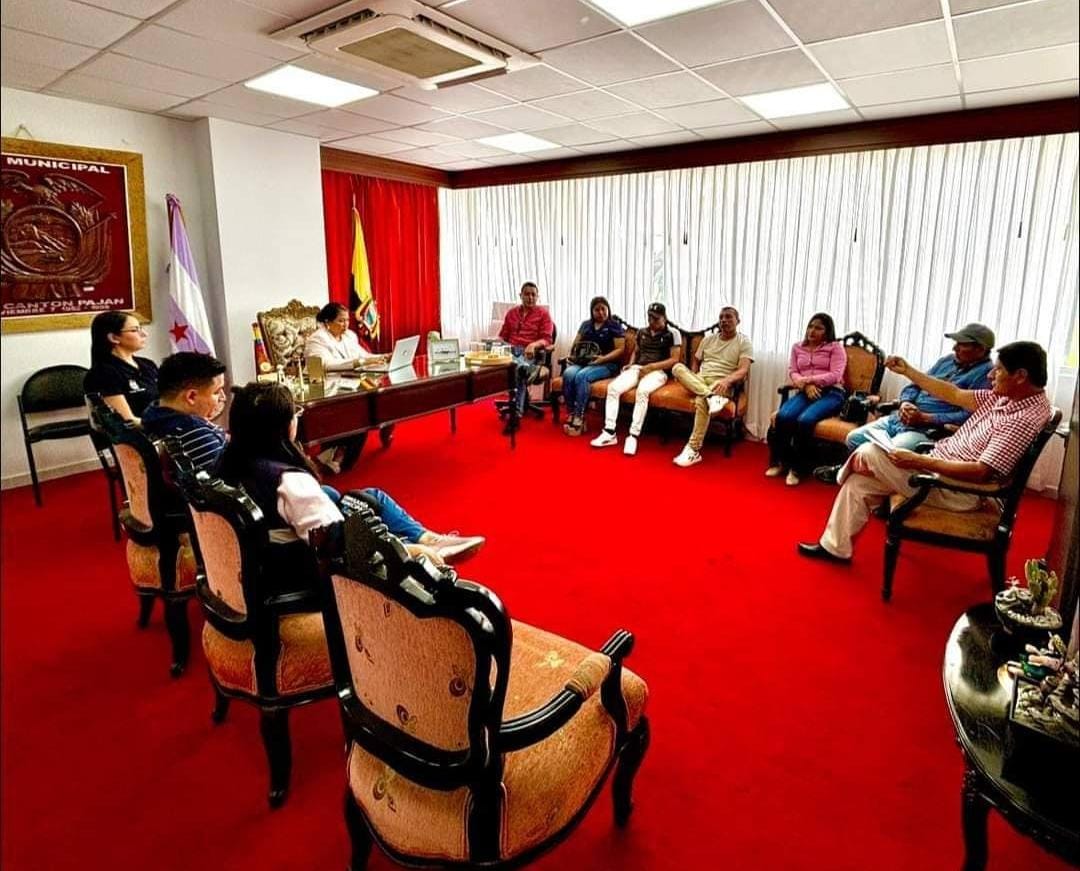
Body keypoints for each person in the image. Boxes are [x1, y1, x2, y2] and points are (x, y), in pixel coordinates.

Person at [797, 341, 1052, 564]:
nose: (990, 375)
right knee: (858, 482)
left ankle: (837, 473)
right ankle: (835, 548)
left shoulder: (1022, 419)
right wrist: (908, 371)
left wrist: (917, 460)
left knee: (869, 451)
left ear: (1020, 376)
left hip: (957, 490)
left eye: (998, 370)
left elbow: (980, 472)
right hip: (938, 464)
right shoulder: (1007, 398)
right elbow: (953, 393)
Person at [220, 382, 484, 584]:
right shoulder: (290, 482)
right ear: (285, 427)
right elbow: (338, 544)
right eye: (295, 414)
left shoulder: (229, 461)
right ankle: (423, 541)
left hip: (263, 558)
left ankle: (428, 536)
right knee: (365, 503)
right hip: (302, 571)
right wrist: (409, 551)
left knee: (363, 496)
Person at [846, 323, 995, 452]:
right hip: (900, 418)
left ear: (980, 349)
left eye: (962, 344)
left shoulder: (987, 375)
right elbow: (915, 385)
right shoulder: (947, 360)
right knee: (853, 438)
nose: (954, 348)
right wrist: (905, 403)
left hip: (928, 430)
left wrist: (925, 418)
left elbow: (969, 416)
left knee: (890, 452)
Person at [590, 302, 681, 456]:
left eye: (656, 319)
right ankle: (609, 432)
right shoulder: (642, 332)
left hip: (658, 371)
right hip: (638, 368)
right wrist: (631, 364)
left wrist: (651, 367)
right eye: (650, 318)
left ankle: (633, 435)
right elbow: (636, 351)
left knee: (642, 391)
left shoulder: (672, 333)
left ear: (664, 318)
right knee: (613, 388)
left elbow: (674, 359)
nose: (652, 321)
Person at [765, 313, 846, 485]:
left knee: (805, 420)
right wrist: (805, 386)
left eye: (818, 328)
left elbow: (835, 375)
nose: (812, 331)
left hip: (832, 392)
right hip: (805, 391)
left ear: (827, 331)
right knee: (784, 416)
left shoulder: (835, 347)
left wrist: (808, 381)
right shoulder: (797, 347)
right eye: (810, 326)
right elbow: (793, 371)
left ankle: (798, 469)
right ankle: (781, 462)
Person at [669, 305, 753, 468]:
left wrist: (726, 381)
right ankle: (712, 397)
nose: (724, 320)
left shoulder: (744, 342)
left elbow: (743, 370)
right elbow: (696, 360)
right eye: (721, 317)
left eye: (728, 317)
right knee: (677, 368)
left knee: (702, 401)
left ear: (738, 321)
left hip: (721, 383)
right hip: (701, 380)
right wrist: (694, 376)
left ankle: (693, 449)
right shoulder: (708, 340)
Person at [141, 352, 228, 474]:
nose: (223, 397)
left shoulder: (152, 412)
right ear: (191, 396)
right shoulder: (198, 435)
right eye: (217, 392)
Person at [561, 296, 626, 437]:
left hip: (607, 363)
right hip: (584, 362)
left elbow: (620, 350)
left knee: (582, 376)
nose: (601, 312)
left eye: (603, 309)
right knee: (568, 374)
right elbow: (576, 344)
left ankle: (579, 416)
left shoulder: (614, 325)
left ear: (608, 309)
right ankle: (571, 412)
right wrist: (572, 356)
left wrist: (602, 359)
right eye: (597, 310)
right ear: (592, 311)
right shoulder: (586, 325)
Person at [84, 310, 158, 424]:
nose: (144, 334)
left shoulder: (148, 364)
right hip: (141, 432)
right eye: (135, 330)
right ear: (114, 337)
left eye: (141, 328)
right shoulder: (102, 373)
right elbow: (128, 421)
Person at [499, 282, 554, 417]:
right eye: (527, 294)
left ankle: (517, 412)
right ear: (521, 295)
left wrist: (533, 345)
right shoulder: (511, 313)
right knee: (515, 366)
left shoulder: (543, 314)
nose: (530, 297)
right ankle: (527, 369)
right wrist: (497, 344)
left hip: (530, 353)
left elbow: (547, 339)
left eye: (533, 295)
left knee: (517, 368)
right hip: (511, 351)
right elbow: (503, 336)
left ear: (537, 297)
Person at [303, 302, 385, 372]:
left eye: (347, 320)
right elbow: (325, 364)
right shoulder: (317, 338)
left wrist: (384, 357)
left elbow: (364, 356)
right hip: (324, 382)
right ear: (328, 322)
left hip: (348, 380)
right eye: (341, 321)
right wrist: (360, 362)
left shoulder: (350, 335)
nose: (346, 324)